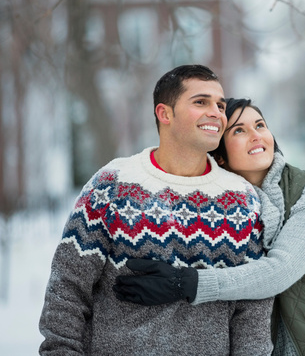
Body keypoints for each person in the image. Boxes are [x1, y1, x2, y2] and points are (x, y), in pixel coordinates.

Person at [39, 65, 273, 355]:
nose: (217, 112)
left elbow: (253, 311)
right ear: (165, 114)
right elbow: (68, 289)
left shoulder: (241, 198)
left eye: (220, 105)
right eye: (201, 102)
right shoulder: (114, 184)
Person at [114, 98, 305, 356]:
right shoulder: (216, 211)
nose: (255, 135)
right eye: (239, 130)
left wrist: (189, 283)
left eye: (260, 125)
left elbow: (281, 270)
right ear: (219, 154)